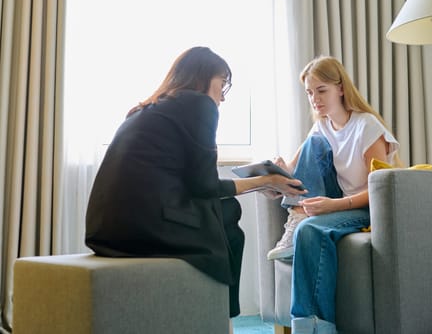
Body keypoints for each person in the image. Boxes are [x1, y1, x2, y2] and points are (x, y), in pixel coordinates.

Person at [84, 46, 306, 328]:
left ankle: (216, 313)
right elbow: (204, 186)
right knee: (227, 212)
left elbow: (189, 184)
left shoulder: (147, 108)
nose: (223, 97)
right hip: (144, 228)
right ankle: (220, 315)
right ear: (203, 78)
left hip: (105, 231)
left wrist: (258, 185)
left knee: (222, 208)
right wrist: (265, 180)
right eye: (222, 84)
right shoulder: (199, 105)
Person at [266, 56, 400, 334]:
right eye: (309, 93)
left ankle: (316, 326)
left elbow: (380, 188)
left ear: (340, 88)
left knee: (309, 231)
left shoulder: (367, 126)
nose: (314, 98)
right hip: (338, 202)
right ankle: (297, 215)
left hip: (367, 206)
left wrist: (333, 206)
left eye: (321, 90)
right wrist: (276, 176)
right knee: (313, 144)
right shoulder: (321, 127)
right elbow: (294, 169)